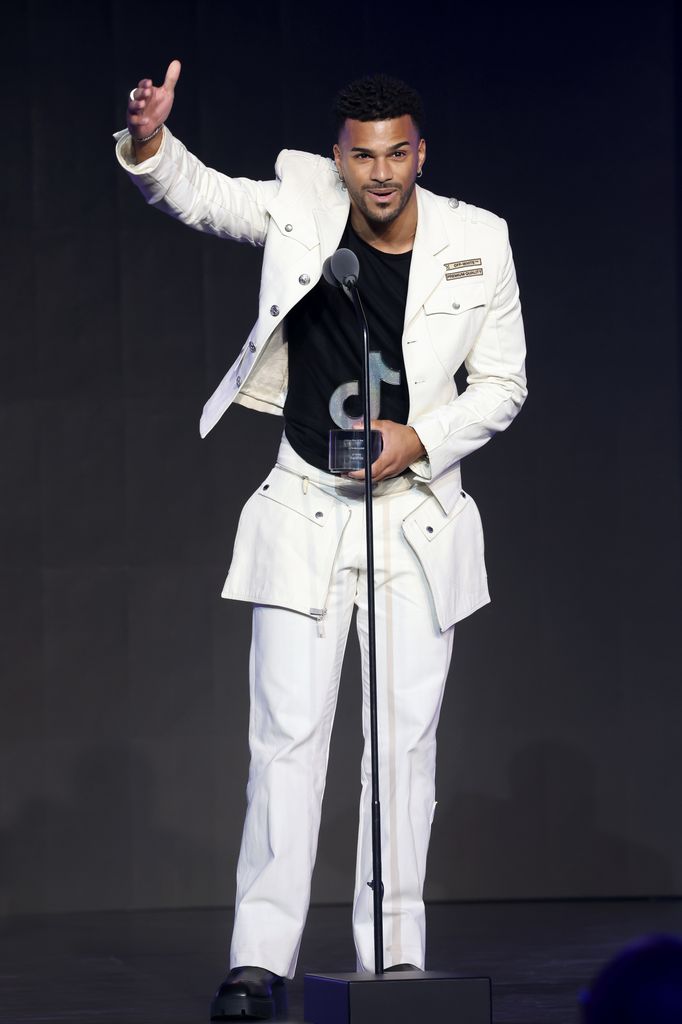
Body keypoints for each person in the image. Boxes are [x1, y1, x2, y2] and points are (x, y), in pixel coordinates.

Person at [116, 61, 527, 1020]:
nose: (380, 175)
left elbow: (503, 386)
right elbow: (204, 199)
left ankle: (392, 957)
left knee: (403, 749)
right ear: (338, 158)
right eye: (361, 157)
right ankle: (258, 963)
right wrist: (149, 143)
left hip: (418, 518)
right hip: (305, 505)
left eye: (397, 155)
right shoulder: (303, 202)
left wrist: (418, 439)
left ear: (420, 153)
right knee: (285, 742)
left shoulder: (480, 239)